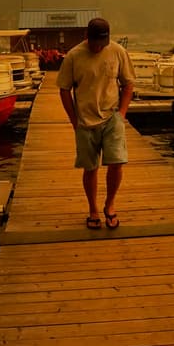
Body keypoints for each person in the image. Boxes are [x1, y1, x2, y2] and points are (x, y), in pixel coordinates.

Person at [57, 17, 135, 230]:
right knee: (90, 167)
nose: (98, 47)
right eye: (95, 43)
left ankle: (110, 205)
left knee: (117, 162)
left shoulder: (117, 52)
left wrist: (122, 113)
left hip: (112, 117)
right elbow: (64, 89)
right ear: (86, 37)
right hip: (85, 120)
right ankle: (93, 209)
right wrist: (74, 120)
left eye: (102, 43)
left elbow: (128, 84)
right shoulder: (74, 56)